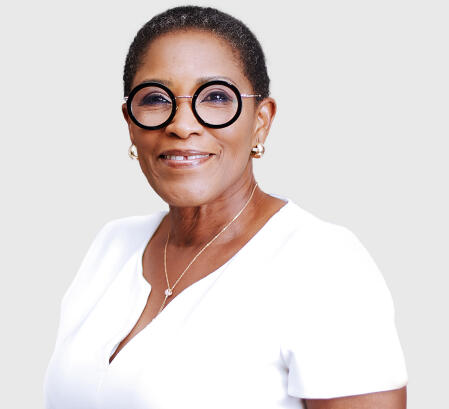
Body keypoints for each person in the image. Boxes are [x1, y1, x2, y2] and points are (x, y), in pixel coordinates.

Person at [43, 6, 408, 409]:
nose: (182, 125)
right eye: (156, 99)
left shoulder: (323, 263)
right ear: (130, 122)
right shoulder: (112, 245)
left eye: (216, 97)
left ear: (261, 121)